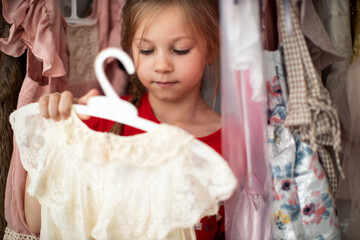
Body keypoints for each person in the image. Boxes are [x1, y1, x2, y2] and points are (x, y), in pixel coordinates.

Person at [29, 0, 224, 238]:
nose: (162, 65)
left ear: (212, 47)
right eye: (147, 50)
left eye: (180, 49)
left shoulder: (231, 148)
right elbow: (36, 222)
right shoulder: (98, 123)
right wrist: (55, 131)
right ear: (130, 50)